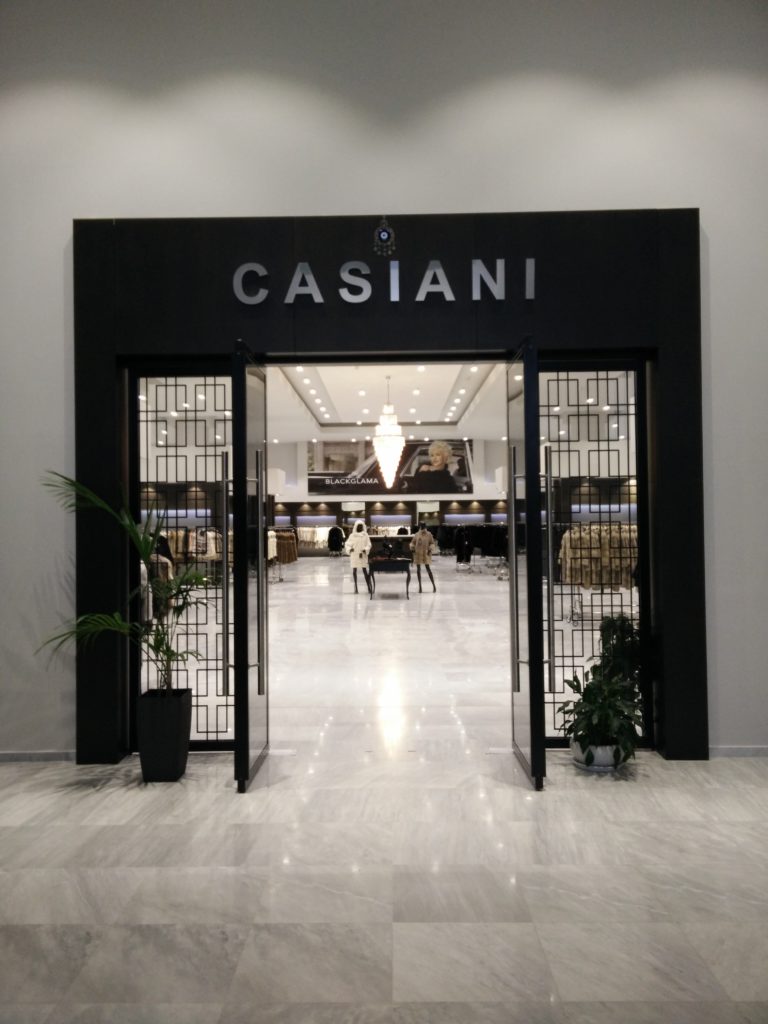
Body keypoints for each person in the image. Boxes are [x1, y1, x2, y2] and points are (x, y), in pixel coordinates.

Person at [344, 520, 372, 594]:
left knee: (365, 571)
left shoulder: (365, 535)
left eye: (361, 526)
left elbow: (369, 544)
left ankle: (369, 587)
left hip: (363, 554)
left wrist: (366, 549)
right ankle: (356, 587)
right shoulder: (352, 535)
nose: (360, 527)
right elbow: (347, 544)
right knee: (354, 571)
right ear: (356, 527)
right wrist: (350, 549)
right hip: (355, 555)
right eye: (358, 526)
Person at [410, 522, 437, 592]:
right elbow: (413, 542)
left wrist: (430, 549)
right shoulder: (417, 534)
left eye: (423, 525)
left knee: (428, 569)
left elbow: (432, 543)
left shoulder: (429, 534)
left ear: (425, 526)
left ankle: (434, 585)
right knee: (418, 570)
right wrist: (412, 548)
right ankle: (420, 587)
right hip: (418, 553)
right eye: (421, 525)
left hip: (426, 553)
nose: (422, 526)